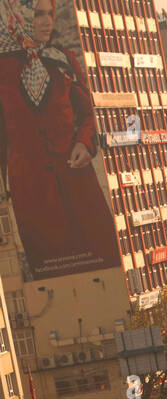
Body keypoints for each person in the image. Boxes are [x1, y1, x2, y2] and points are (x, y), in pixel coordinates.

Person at [0, 0, 122, 279]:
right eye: (38, 14)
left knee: (104, 261)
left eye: (50, 14)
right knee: (52, 270)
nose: (46, 21)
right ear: (18, 16)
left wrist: (85, 143)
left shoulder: (62, 59)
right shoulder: (1, 68)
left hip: (78, 182)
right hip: (32, 192)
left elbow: (89, 114)